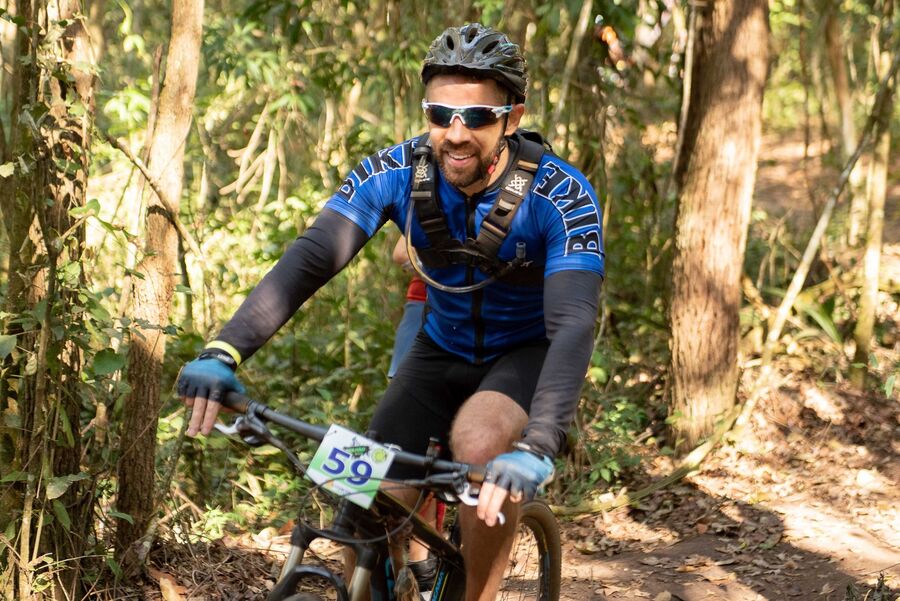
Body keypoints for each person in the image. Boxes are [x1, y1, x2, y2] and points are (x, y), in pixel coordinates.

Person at [178, 22, 604, 601]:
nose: (456, 133)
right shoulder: (395, 171)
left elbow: (573, 323)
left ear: (513, 116)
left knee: (479, 444)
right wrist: (224, 349)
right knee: (360, 494)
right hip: (439, 348)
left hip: (523, 353)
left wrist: (538, 444)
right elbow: (310, 258)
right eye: (439, 114)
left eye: (476, 117)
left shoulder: (562, 195)